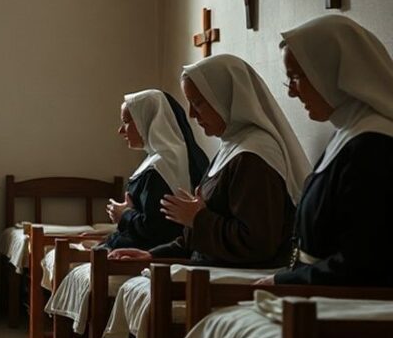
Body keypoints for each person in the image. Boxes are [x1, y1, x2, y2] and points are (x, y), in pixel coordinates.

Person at [110, 54, 309, 268]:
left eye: (198, 103)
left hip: (241, 279)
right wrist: (152, 255)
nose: (192, 115)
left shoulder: (253, 157)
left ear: (226, 97)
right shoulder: (232, 147)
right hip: (213, 270)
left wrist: (198, 218)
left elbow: (257, 243)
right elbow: (201, 236)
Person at [255, 16, 393, 286]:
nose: (292, 93)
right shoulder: (348, 134)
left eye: (296, 77)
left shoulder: (373, 145)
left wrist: (284, 282)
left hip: (347, 307)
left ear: (331, 70)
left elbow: (363, 263)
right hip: (320, 295)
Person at [100, 89, 209, 250]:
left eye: (126, 122)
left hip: (151, 254)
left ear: (147, 120)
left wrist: (124, 216)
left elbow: (157, 229)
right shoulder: (184, 156)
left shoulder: (160, 167)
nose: (121, 130)